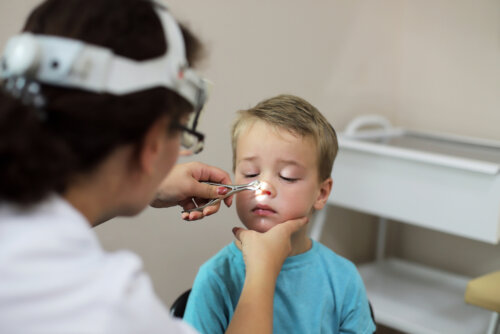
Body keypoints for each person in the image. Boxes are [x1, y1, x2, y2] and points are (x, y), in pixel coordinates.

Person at [0, 1, 307, 333]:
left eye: (289, 175)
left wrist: (148, 187)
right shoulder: (104, 306)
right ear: (151, 145)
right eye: (180, 130)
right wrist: (262, 272)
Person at [183, 95, 376, 334]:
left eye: (287, 176)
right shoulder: (216, 278)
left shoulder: (343, 279)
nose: (264, 187)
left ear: (321, 193)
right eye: (251, 173)